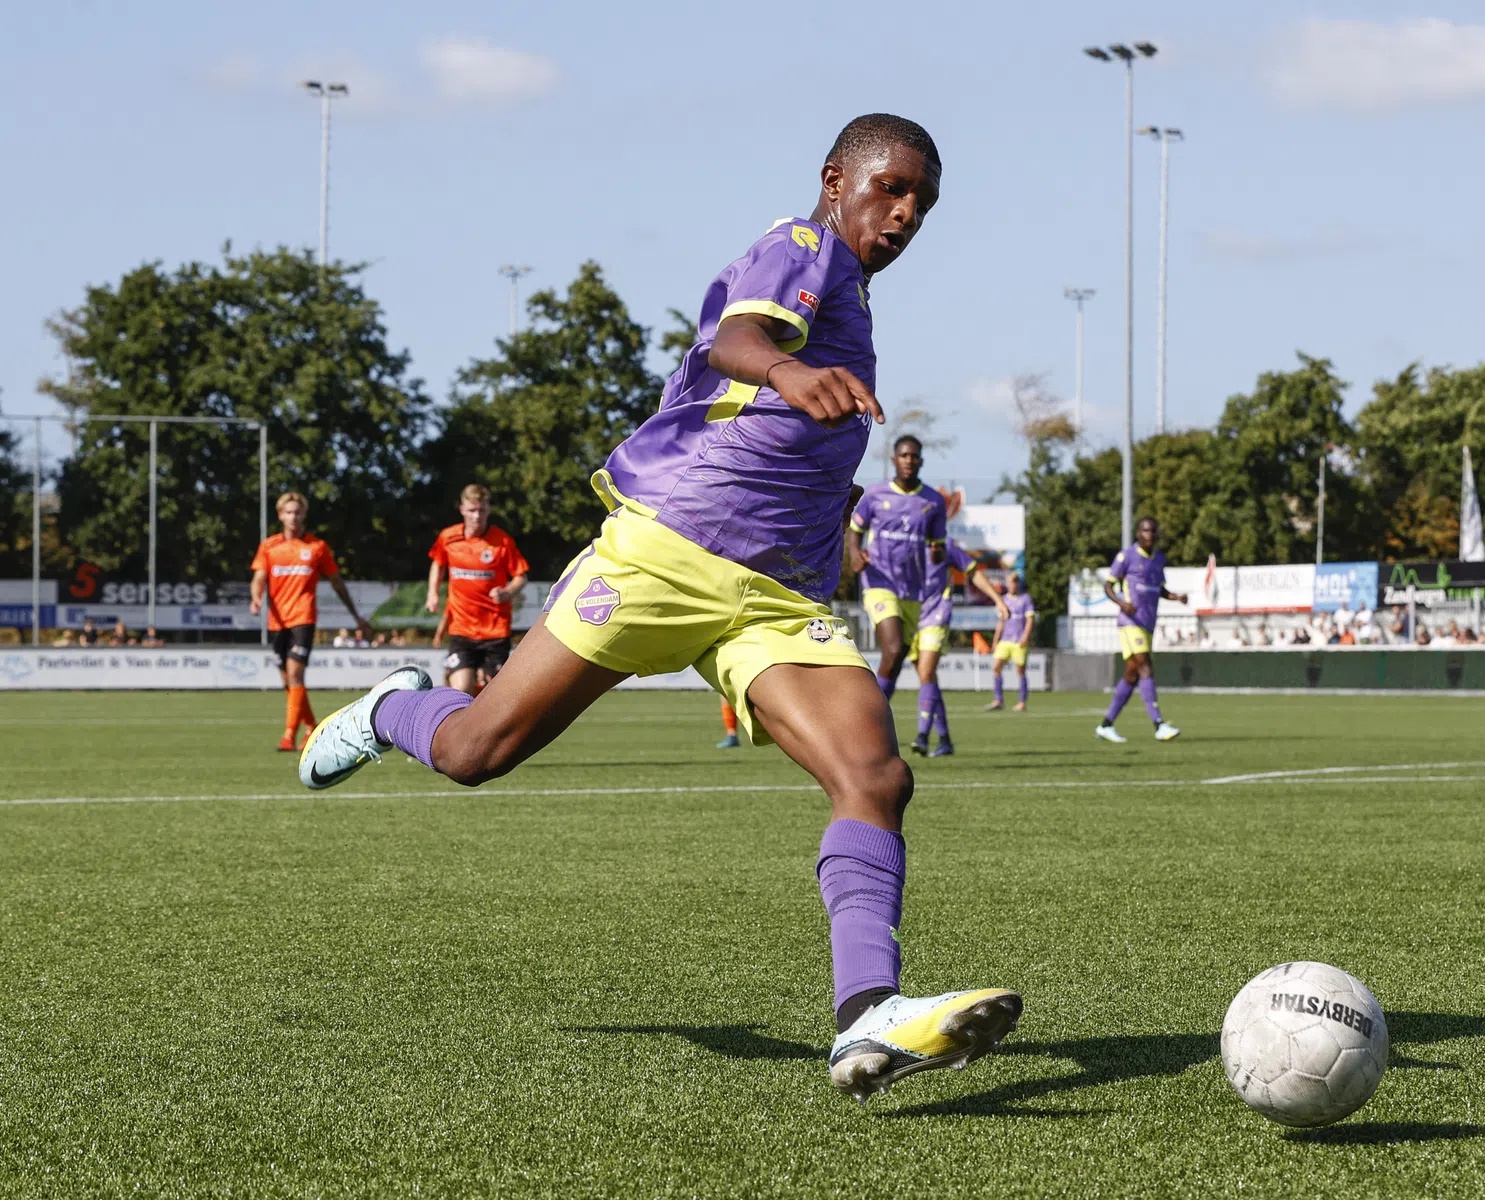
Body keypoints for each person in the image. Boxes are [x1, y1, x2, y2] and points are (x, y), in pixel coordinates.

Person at [300, 114, 1019, 1102]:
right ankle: (392, 707)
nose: (903, 214)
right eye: (890, 188)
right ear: (834, 178)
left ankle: (868, 1018)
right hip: (667, 554)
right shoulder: (802, 246)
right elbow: (735, 334)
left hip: (771, 600)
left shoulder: (849, 291)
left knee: (876, 777)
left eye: (921, 203)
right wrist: (786, 368)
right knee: (476, 752)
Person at [251, 491, 373, 752]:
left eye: (298, 512)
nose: (293, 517)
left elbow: (337, 583)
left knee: (295, 674)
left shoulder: (317, 547)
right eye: (289, 512)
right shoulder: (269, 546)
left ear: (304, 515)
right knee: (288, 681)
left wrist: (356, 615)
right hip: (277, 621)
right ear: (281, 515)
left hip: (303, 618)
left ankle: (288, 736)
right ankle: (312, 728)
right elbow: (259, 578)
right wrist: (255, 598)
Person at [848, 436, 946, 703]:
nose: (909, 461)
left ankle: (877, 711)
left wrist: (938, 553)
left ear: (921, 461)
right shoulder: (875, 495)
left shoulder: (934, 501)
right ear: (894, 460)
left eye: (914, 456)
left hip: (913, 589)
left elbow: (939, 549)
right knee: (892, 648)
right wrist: (856, 555)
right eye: (904, 456)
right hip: (879, 582)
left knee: (899, 653)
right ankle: (872, 714)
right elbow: (855, 531)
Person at [426, 484, 531, 697]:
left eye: (482, 510)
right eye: (472, 510)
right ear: (462, 509)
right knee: (460, 690)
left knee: (494, 697)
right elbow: (438, 563)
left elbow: (521, 576)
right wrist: (432, 592)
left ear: (488, 510)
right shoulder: (448, 537)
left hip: (495, 630)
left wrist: (507, 592)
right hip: (462, 630)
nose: (477, 516)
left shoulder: (502, 542)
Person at [908, 538, 1004, 755]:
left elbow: (973, 571)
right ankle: (945, 740)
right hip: (911, 617)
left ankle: (922, 736)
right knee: (928, 680)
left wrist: (997, 599)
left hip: (937, 615)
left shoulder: (945, 544)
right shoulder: (906, 542)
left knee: (926, 673)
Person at [1096, 517, 1188, 743]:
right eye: (1145, 530)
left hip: (1148, 623)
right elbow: (1108, 586)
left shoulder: (1158, 560)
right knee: (1145, 666)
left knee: (1131, 674)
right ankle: (1159, 724)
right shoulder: (1126, 556)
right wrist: (1121, 603)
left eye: (1153, 531)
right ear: (1138, 533)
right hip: (1130, 622)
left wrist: (1176, 597)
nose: (1149, 534)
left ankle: (1106, 725)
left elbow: (1160, 590)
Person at [987, 573, 1034, 712]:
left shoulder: (1025, 599)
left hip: (1018, 641)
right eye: (1009, 582)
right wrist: (995, 640)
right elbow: (1001, 622)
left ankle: (1022, 702)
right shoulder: (1004, 600)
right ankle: (998, 700)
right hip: (1005, 640)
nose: (1012, 585)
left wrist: (1025, 636)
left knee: (1020, 671)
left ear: (1017, 584)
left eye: (1014, 582)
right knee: (996, 668)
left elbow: (1030, 620)